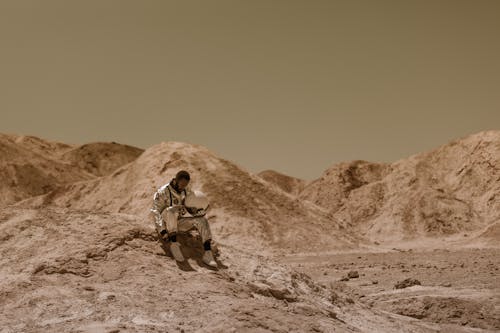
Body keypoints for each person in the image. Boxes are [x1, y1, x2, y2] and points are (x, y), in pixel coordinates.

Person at [150, 170, 217, 267]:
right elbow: (155, 212)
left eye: (185, 185)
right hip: (167, 224)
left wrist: (196, 210)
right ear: (175, 180)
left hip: (180, 223)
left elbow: (189, 205)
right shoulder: (162, 192)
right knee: (171, 210)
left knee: (202, 220)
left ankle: (207, 253)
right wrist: (163, 231)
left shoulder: (186, 191)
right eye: (181, 184)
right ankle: (174, 244)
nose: (182, 187)